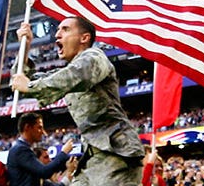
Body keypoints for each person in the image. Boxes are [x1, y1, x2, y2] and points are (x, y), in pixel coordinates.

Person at [12, 18, 145, 185]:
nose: (57, 35)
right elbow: (22, 82)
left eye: (65, 29)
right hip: (93, 157)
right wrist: (24, 49)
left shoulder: (95, 57)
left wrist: (30, 86)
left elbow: (75, 76)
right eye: (58, 30)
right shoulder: (67, 72)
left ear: (84, 38)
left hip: (116, 154)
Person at [5, 113, 72, 186]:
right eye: (39, 127)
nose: (44, 133)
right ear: (27, 127)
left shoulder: (24, 149)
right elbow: (44, 172)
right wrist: (63, 152)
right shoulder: (20, 149)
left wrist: (68, 173)